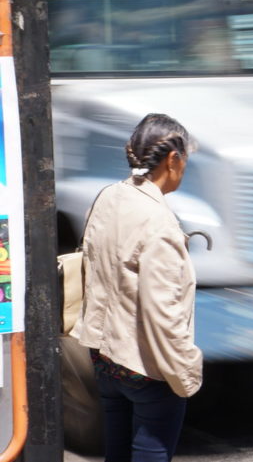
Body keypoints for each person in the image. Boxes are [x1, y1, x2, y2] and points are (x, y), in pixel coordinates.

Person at [75, 113, 203, 462]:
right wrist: (187, 373)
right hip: (145, 366)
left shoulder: (107, 196)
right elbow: (163, 313)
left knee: (116, 454)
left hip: (104, 359)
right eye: (186, 159)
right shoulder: (160, 223)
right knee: (151, 453)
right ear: (173, 160)